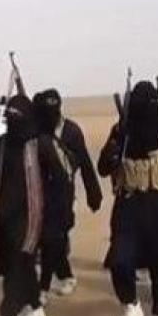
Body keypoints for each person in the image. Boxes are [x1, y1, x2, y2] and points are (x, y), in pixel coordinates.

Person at [0, 95, 69, 316]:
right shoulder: (4, 144)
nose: (13, 121)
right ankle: (36, 309)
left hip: (32, 217)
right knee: (19, 263)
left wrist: (58, 217)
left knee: (16, 264)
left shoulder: (40, 144)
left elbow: (61, 180)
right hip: (5, 216)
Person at [98, 81, 158, 316]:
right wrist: (114, 147)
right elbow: (103, 167)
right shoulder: (122, 133)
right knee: (119, 261)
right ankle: (130, 306)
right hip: (128, 206)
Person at [32, 89, 102, 304]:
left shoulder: (71, 131)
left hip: (62, 195)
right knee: (51, 240)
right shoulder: (36, 131)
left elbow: (85, 163)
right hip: (38, 194)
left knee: (53, 238)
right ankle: (65, 275)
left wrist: (93, 193)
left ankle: (45, 287)